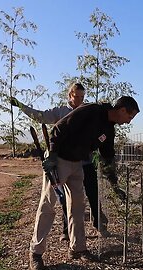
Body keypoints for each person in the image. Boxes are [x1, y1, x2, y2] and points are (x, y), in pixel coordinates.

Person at [29, 96, 139, 270]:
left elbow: (107, 157)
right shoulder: (92, 110)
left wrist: (115, 185)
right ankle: (35, 253)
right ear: (122, 110)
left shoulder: (109, 130)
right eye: (130, 117)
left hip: (77, 164)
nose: (128, 122)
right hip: (59, 161)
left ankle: (78, 248)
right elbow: (59, 128)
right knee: (48, 204)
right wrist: (52, 155)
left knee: (78, 207)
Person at [11, 83, 109, 242]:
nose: (79, 100)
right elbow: (40, 116)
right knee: (63, 198)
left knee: (91, 193)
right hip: (63, 161)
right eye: (77, 96)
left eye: (82, 97)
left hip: (85, 161)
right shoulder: (61, 112)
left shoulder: (88, 112)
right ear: (70, 95)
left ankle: (98, 226)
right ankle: (65, 231)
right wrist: (21, 106)